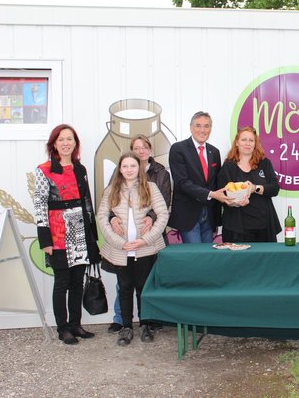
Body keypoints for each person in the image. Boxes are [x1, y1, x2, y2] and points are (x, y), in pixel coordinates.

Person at [34, 124, 99, 345]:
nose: (65, 143)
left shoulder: (80, 169)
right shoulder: (44, 170)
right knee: (62, 282)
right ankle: (63, 328)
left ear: (75, 144)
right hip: (58, 234)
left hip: (81, 232)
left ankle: (75, 324)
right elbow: (40, 205)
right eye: (61, 139)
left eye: (69, 139)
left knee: (77, 282)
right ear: (54, 144)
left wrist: (93, 237)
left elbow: (87, 203)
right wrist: (45, 240)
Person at [97, 152, 169, 346]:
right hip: (120, 251)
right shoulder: (112, 189)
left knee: (143, 288)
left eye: (133, 166)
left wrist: (145, 240)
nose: (129, 170)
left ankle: (145, 324)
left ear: (139, 168)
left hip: (145, 249)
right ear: (120, 169)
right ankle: (126, 327)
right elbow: (102, 217)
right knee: (125, 289)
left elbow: (162, 215)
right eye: (125, 166)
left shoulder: (150, 187)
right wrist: (118, 242)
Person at [168, 111, 233, 243]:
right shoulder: (178, 149)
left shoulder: (214, 152)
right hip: (188, 215)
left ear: (211, 129)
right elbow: (182, 182)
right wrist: (211, 194)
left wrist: (216, 218)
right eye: (198, 126)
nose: (202, 130)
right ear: (191, 127)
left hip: (209, 216)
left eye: (206, 126)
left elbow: (215, 183)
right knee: (195, 258)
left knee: (207, 256)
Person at [217, 127, 282, 242]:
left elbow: (275, 189)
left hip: (264, 226)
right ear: (237, 142)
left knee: (266, 260)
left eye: (251, 140)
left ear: (255, 144)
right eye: (244, 140)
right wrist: (235, 203)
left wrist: (255, 188)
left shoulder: (264, 163)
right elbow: (222, 195)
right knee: (240, 260)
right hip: (237, 229)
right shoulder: (228, 166)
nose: (247, 143)